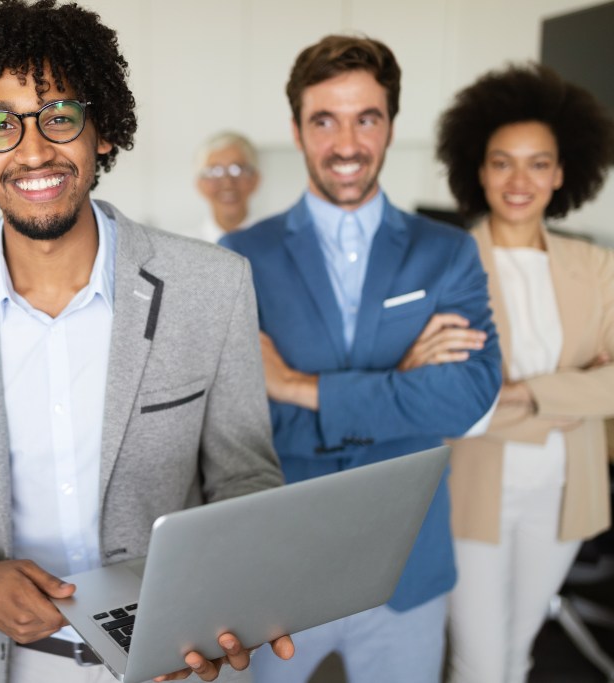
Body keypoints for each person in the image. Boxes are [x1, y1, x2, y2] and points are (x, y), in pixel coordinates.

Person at [0, 2, 292, 682]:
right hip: (5, 663)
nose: (33, 152)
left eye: (59, 117)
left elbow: (245, 478)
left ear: (103, 135)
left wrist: (221, 601)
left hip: (167, 658)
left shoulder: (213, 285)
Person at [220, 35, 502, 683]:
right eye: (325, 119)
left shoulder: (447, 252)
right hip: (278, 572)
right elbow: (236, 421)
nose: (346, 144)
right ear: (296, 130)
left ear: (391, 126)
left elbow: (469, 397)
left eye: (366, 118)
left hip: (408, 564)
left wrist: (296, 384)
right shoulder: (240, 256)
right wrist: (400, 384)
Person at [436, 64, 614, 683]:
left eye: (539, 163)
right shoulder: (447, 265)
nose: (520, 180)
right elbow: (453, 397)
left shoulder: (594, 265)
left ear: (562, 173)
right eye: (502, 161)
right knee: (479, 662)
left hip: (568, 491)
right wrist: (577, 390)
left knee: (519, 653)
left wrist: (525, 393)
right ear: (477, 169)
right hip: (476, 493)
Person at [195, 131, 261, 242]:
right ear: (200, 184)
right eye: (215, 171)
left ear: (255, 180)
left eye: (237, 170)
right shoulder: (182, 249)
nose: (228, 183)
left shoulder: (276, 243)